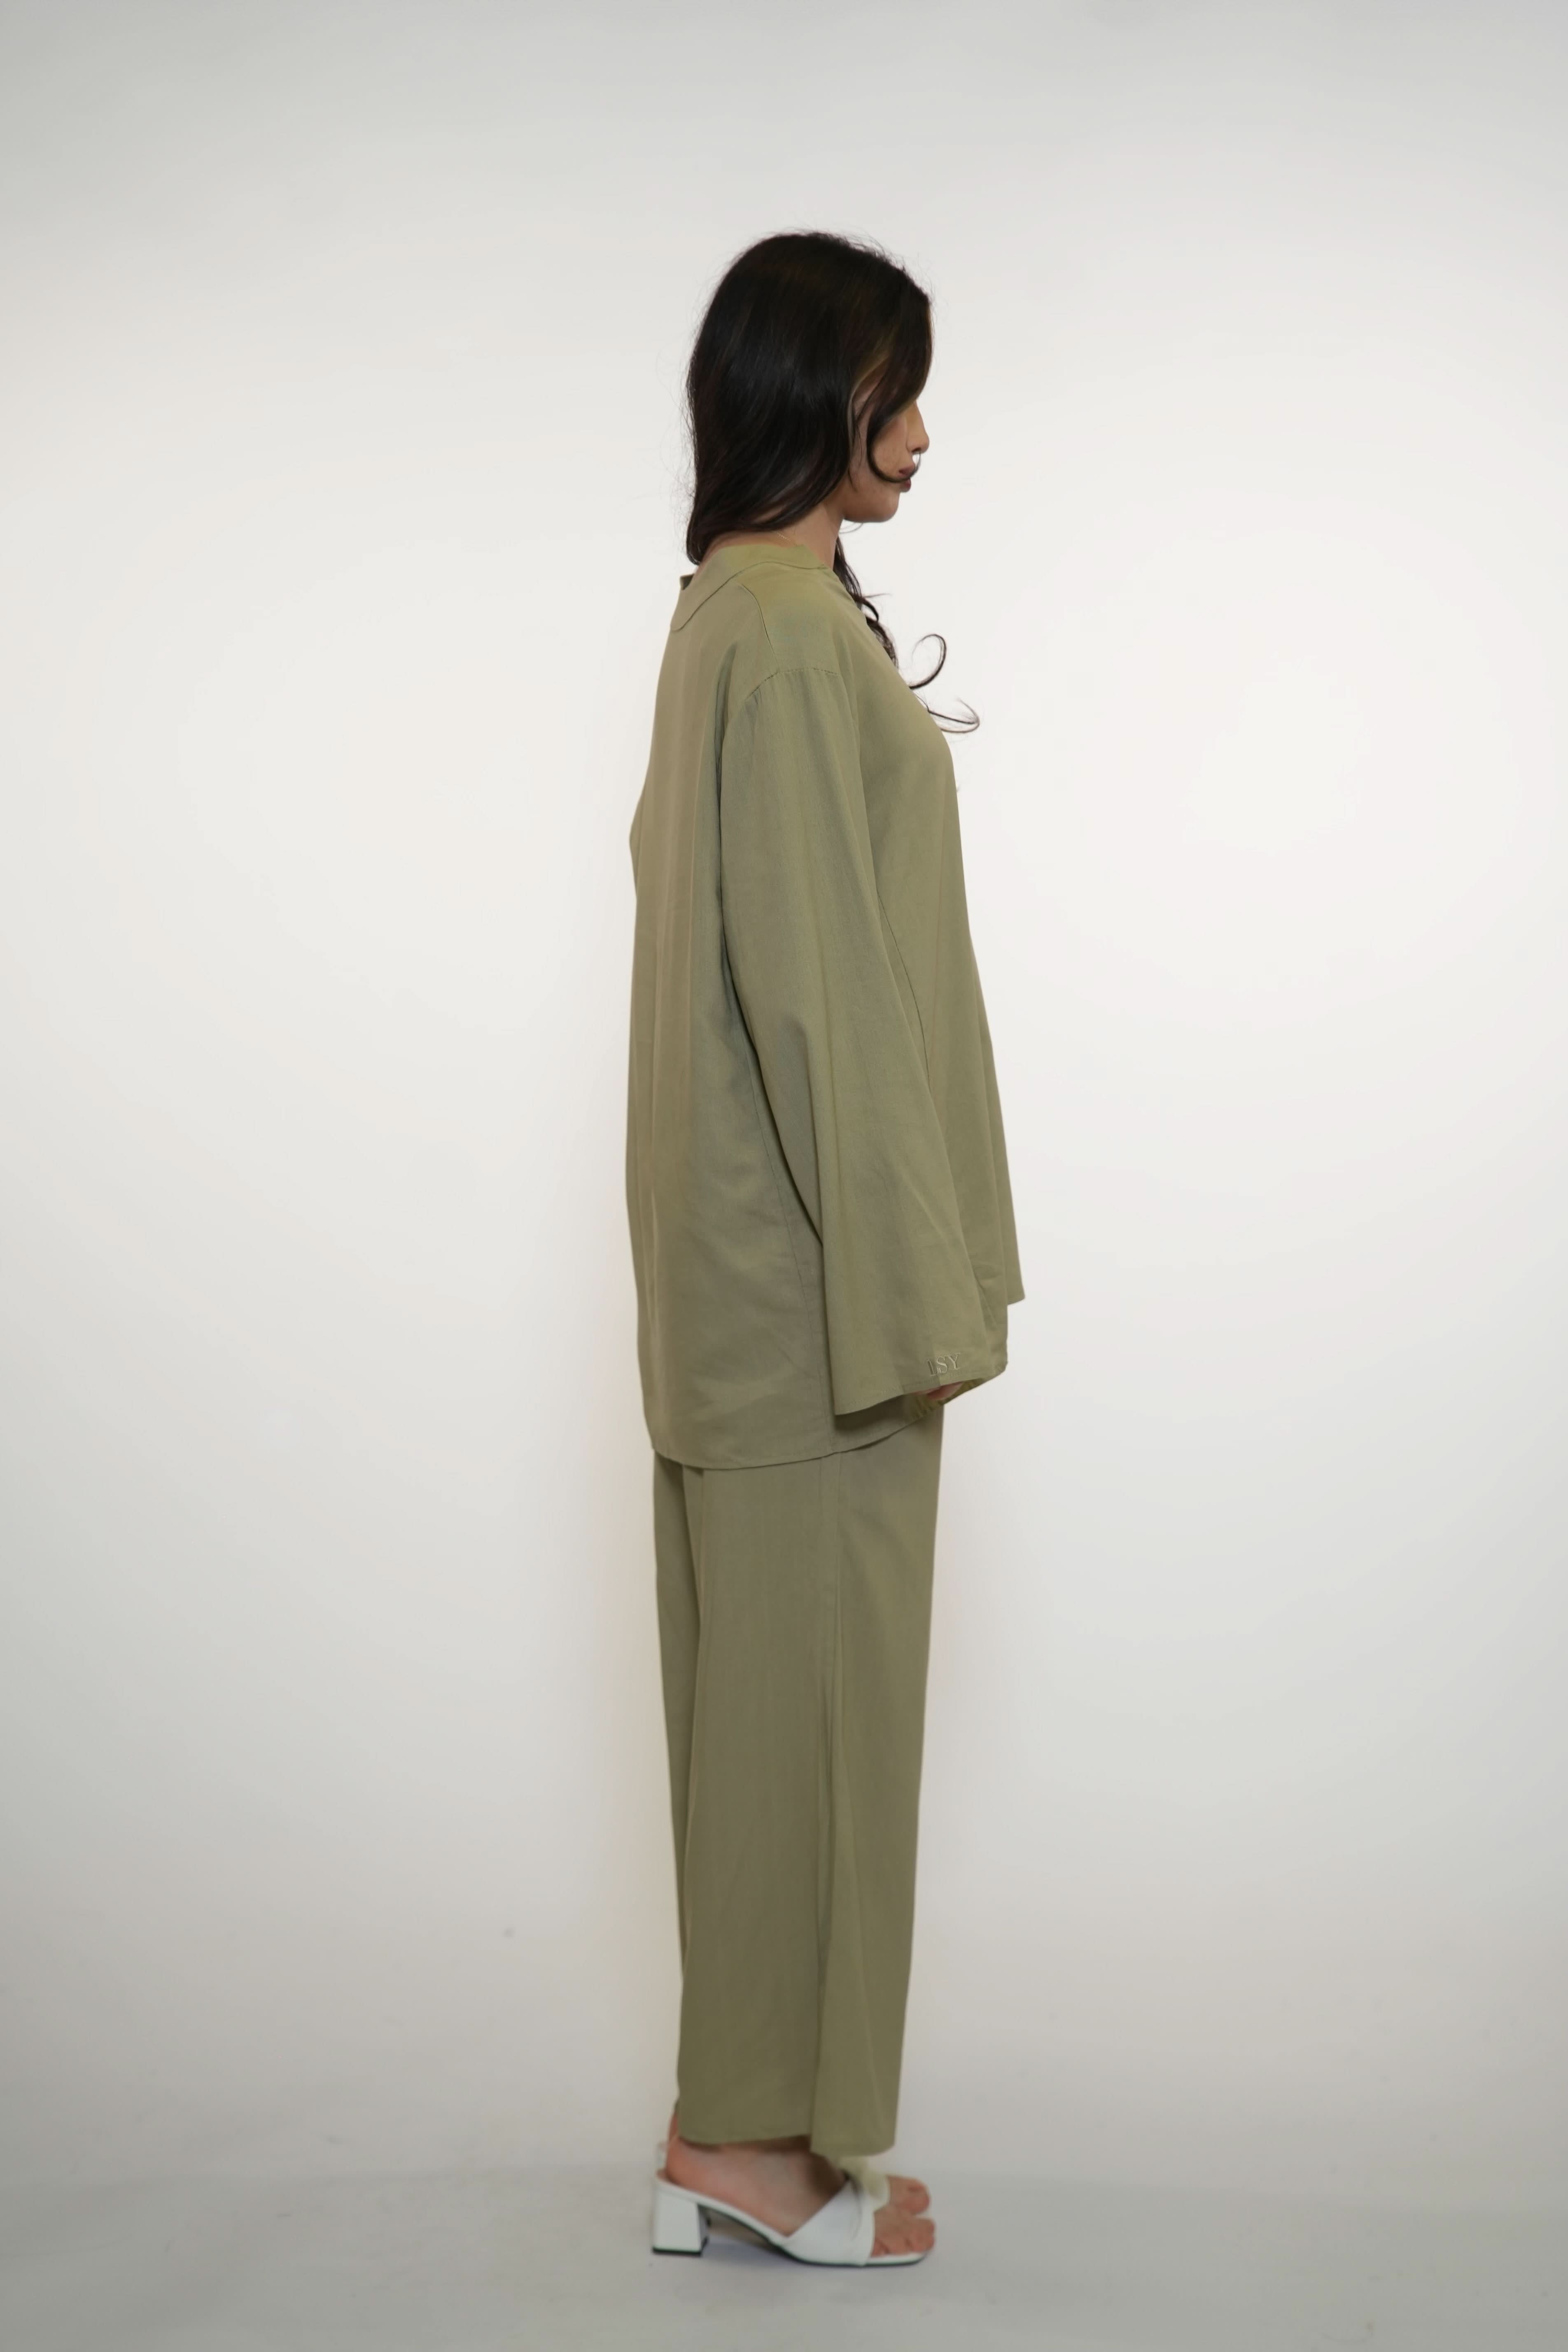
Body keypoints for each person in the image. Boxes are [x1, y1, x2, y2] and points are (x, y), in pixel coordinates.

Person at [624, 230, 1023, 2268]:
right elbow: (814, 996)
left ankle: (731, 2121)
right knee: (808, 1725)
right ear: (814, 394)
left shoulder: (735, 609)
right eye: (895, 390)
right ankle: (754, 2153)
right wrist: (915, 1294)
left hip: (753, 1285)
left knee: (763, 1723)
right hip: (814, 1302)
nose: (922, 434)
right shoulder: (781, 635)